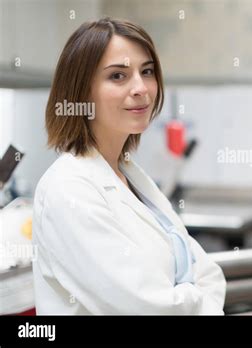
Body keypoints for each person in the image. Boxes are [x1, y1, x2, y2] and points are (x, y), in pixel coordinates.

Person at [32, 17, 226, 315]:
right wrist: (197, 300)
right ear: (81, 91)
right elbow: (145, 308)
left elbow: (209, 273)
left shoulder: (130, 175)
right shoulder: (68, 189)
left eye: (146, 71)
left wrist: (191, 298)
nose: (141, 88)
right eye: (118, 76)